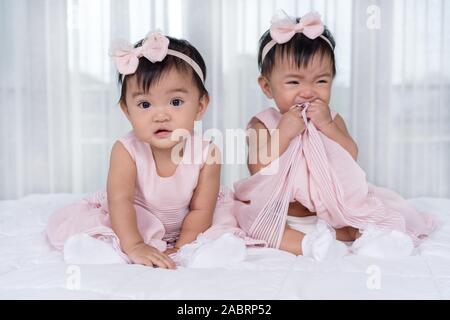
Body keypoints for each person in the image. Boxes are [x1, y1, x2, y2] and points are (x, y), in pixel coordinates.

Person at [233, 11, 434, 260]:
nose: (308, 92)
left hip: (330, 210)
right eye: (294, 83)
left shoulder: (331, 118)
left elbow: (350, 154)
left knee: (359, 219)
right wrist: (283, 133)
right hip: (282, 212)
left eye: (320, 81)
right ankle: (309, 245)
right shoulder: (261, 123)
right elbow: (258, 167)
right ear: (267, 86)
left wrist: (327, 126)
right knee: (251, 222)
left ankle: (373, 241)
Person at [45, 31, 221, 269]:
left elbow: (202, 208)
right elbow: (121, 202)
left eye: (176, 102)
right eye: (145, 104)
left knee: (220, 226)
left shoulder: (207, 153)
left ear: (200, 106)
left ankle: (206, 253)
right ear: (127, 111)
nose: (160, 115)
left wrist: (184, 246)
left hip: (188, 223)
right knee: (107, 229)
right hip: (132, 221)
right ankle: (109, 251)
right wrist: (135, 244)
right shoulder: (126, 150)